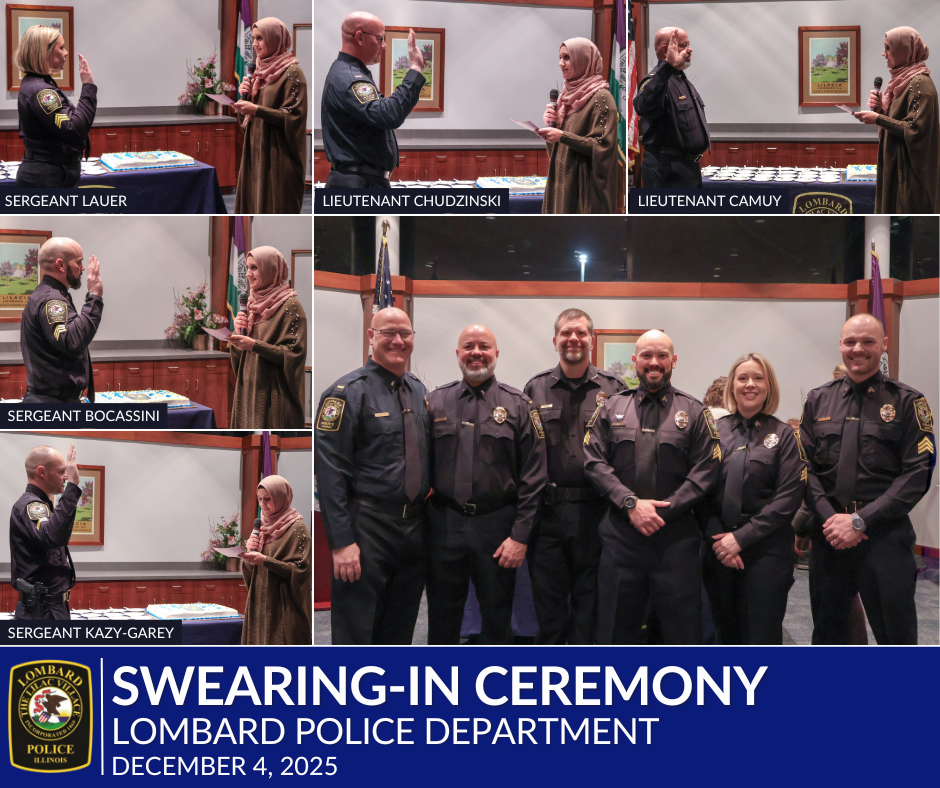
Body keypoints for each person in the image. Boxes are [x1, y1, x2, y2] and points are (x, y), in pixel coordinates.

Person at [800, 314, 934, 644]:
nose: (858, 349)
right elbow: (804, 470)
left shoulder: (907, 402)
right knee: (829, 635)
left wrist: (859, 521)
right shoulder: (818, 400)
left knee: (896, 637)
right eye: (850, 342)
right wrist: (832, 520)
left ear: (883, 345)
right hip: (829, 536)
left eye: (868, 341)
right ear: (841, 346)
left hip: (884, 537)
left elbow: (918, 473)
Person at [583, 330, 720, 644]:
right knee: (616, 633)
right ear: (635, 361)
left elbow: (706, 469)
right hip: (621, 539)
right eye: (646, 355)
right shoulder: (611, 408)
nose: (654, 362)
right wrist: (631, 504)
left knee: (681, 635)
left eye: (661, 356)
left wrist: (662, 511)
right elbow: (594, 462)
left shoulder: (696, 412)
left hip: (676, 543)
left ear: (673, 361)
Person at [315, 307, 431, 645]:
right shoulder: (345, 393)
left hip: (412, 528)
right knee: (357, 630)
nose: (397, 341)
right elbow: (330, 472)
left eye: (405, 333)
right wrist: (341, 543)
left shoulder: (418, 390)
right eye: (388, 333)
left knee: (399, 629)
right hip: (366, 528)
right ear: (371, 337)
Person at [426, 325, 547, 644]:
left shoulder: (520, 405)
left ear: (496, 354)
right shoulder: (435, 402)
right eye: (468, 346)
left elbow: (534, 477)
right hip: (445, 523)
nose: (476, 352)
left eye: (483, 346)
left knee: (497, 616)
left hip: (497, 525)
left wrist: (520, 537)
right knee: (441, 616)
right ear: (457, 354)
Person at [523, 309, 626, 643]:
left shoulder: (614, 389)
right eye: (566, 333)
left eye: (581, 333)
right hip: (549, 515)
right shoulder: (535, 388)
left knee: (591, 606)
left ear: (591, 340)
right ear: (555, 341)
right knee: (548, 607)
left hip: (597, 513)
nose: (574, 339)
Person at [698, 354, 806, 644]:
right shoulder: (713, 434)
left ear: (769, 386)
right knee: (725, 633)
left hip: (766, 551)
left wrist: (741, 539)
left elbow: (787, 498)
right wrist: (719, 541)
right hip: (719, 549)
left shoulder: (785, 436)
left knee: (761, 635)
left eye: (758, 378)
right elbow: (699, 492)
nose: (750, 384)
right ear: (731, 386)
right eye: (743, 378)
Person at [321, 13, 426, 188]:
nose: (384, 45)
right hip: (358, 184)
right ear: (360, 38)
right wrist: (415, 68)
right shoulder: (349, 77)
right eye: (380, 39)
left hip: (361, 180)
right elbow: (389, 114)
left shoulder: (349, 72)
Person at [852, 27, 939, 214]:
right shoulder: (902, 81)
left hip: (908, 174)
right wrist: (882, 109)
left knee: (903, 228)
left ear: (905, 50)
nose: (884, 54)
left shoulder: (920, 83)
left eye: (888, 48)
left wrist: (878, 119)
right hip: (896, 166)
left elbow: (914, 129)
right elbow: (901, 119)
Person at [233, 18, 307, 213]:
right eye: (254, 39)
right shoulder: (258, 72)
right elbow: (246, 122)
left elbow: (293, 118)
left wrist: (256, 109)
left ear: (275, 39)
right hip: (255, 153)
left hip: (277, 156)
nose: (255, 44)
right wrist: (245, 99)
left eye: (260, 38)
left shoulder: (292, 73)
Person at [538, 38, 619, 214]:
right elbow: (558, 152)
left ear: (584, 60)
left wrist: (562, 136)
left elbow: (603, 148)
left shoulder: (602, 98)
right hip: (561, 183)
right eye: (560, 57)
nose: (561, 64)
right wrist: (552, 129)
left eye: (567, 58)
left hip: (584, 190)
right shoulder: (566, 98)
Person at [229, 246, 307, 428]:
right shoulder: (250, 304)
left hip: (273, 398)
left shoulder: (290, 307)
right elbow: (242, 361)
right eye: (247, 268)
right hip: (247, 394)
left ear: (271, 269)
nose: (249, 274)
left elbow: (293, 355)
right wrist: (237, 336)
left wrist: (254, 345)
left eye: (254, 268)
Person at [20, 237, 102, 403]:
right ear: (61, 265)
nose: (83, 268)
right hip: (52, 404)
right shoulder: (52, 300)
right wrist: (94, 297)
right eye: (78, 262)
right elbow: (71, 341)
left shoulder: (49, 294)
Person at [14, 25, 96, 187]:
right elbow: (75, 129)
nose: (66, 53)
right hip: (47, 176)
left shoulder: (39, 83)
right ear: (45, 52)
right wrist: (88, 87)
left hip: (52, 172)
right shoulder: (41, 90)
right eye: (61, 47)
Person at [9, 444, 80, 620]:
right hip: (40, 611)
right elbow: (52, 536)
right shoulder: (30, 505)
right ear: (42, 472)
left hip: (52, 607)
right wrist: (72, 487)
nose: (65, 476)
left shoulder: (44, 506)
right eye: (61, 471)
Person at [633, 27, 709, 188]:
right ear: (665, 50)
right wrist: (667, 66)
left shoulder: (681, 79)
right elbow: (644, 105)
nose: (690, 49)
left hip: (687, 169)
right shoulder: (656, 81)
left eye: (689, 44)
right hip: (667, 173)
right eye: (684, 45)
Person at [240, 475, 312, 645]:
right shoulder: (261, 528)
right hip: (259, 604)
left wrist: (265, 560)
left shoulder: (297, 528)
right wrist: (249, 555)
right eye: (259, 499)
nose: (263, 504)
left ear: (281, 498)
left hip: (282, 605)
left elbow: (301, 570)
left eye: (268, 498)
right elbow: (253, 571)